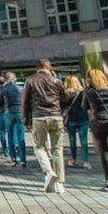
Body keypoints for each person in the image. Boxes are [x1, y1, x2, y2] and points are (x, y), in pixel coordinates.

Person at [22, 58, 66, 194]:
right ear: (49, 67)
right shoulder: (56, 81)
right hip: (56, 115)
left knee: (39, 146)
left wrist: (25, 120)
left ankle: (48, 172)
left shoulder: (30, 80)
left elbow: (25, 101)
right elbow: (65, 98)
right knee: (57, 149)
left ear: (37, 67)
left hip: (39, 116)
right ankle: (60, 183)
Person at [0, 72, 26, 168]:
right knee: (21, 136)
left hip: (8, 112)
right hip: (19, 112)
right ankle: (23, 160)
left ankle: (13, 159)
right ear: (15, 78)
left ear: (6, 79)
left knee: (10, 136)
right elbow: (26, 101)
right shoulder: (21, 88)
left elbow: (0, 104)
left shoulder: (3, 90)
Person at [63, 75, 90, 169]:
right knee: (84, 141)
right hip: (83, 119)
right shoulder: (83, 93)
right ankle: (86, 161)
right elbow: (88, 105)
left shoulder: (66, 94)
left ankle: (74, 159)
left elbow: (63, 106)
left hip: (71, 120)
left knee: (72, 141)